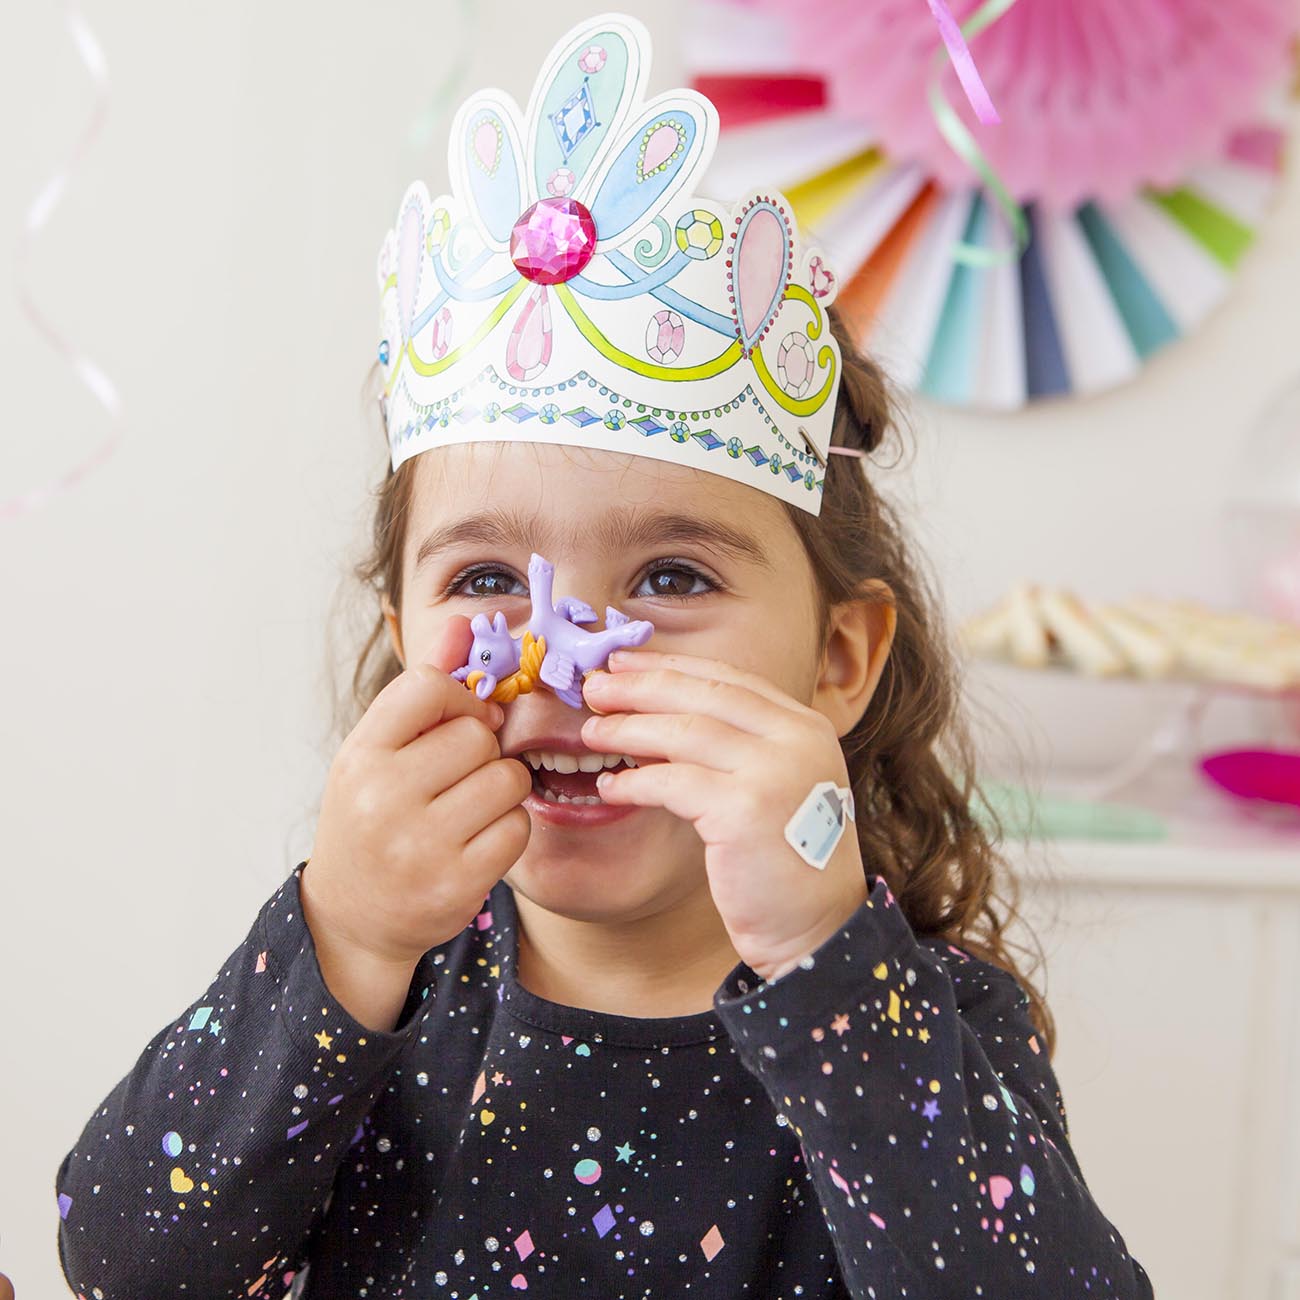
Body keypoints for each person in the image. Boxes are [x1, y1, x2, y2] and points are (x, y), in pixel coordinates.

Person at [55, 14, 1153, 1298]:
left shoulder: (918, 1022)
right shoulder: (374, 981)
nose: (557, 664)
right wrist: (341, 934)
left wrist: (823, 960)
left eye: (672, 577)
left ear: (837, 659)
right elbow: (124, 1265)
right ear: (404, 645)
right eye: (485, 580)